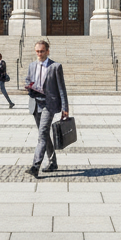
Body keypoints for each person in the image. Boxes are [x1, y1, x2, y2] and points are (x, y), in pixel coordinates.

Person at [25, 39, 69, 177]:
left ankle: (35, 166)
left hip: (49, 104)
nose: (39, 53)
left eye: (42, 51)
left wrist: (65, 107)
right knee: (43, 134)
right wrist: (29, 86)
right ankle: (53, 162)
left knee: (42, 134)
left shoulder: (56, 66)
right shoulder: (32, 65)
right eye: (37, 51)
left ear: (47, 51)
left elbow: (62, 88)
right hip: (35, 103)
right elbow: (28, 79)